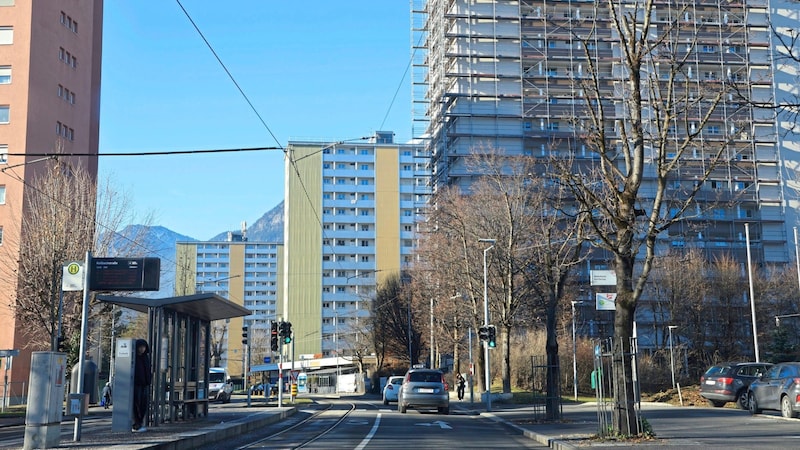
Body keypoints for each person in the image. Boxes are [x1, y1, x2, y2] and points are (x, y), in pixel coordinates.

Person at [132, 339, 152, 432]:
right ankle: (136, 423)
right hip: (136, 384)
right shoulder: (134, 358)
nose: (142, 349)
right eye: (140, 347)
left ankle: (140, 422)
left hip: (145, 384)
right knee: (136, 404)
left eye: (143, 347)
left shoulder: (146, 358)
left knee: (144, 404)